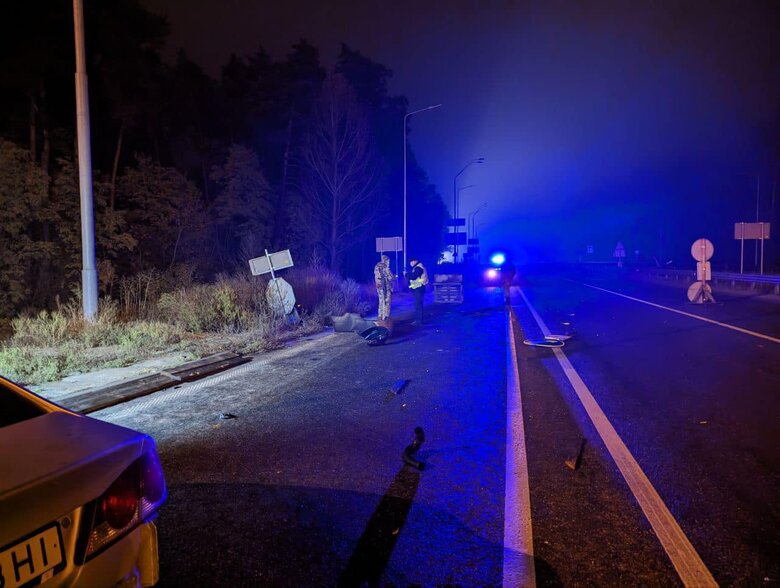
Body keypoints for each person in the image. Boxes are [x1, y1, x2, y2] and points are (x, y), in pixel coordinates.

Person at [405, 257, 429, 324]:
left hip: (419, 288)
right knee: (418, 305)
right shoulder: (418, 267)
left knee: (418, 305)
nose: (410, 264)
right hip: (419, 288)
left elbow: (413, 276)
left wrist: (406, 274)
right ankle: (418, 320)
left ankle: (418, 321)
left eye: (411, 262)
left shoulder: (418, 268)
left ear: (415, 261)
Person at [373, 254, 395, 321]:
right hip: (386, 286)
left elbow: (376, 276)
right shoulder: (385, 267)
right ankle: (385, 316)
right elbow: (390, 277)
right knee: (387, 301)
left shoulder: (376, 267)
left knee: (381, 301)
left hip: (379, 286)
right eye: (388, 261)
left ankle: (380, 315)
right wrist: (393, 277)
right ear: (386, 260)